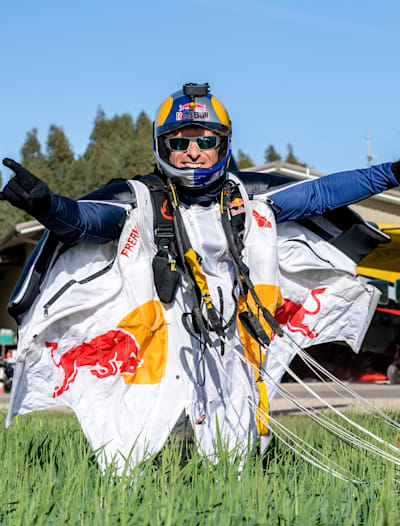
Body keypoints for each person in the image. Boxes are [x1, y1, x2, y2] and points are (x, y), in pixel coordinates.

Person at [1, 82, 400, 472]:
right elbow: (86, 221)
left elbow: (320, 194)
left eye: (205, 142)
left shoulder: (245, 201)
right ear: (162, 148)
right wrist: (49, 207)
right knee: (149, 444)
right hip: (162, 341)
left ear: (223, 145)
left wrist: (391, 173)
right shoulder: (143, 203)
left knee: (241, 445)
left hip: (232, 337)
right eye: (179, 143)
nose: (193, 153)